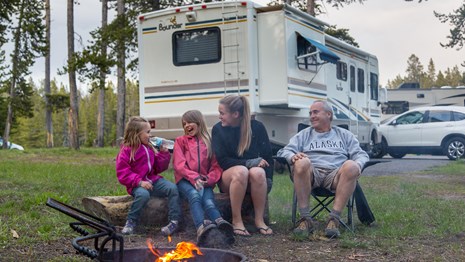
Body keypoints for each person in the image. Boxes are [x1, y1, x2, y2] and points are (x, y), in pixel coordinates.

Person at [277, 100, 369, 238]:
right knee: (301, 162)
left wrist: (358, 165)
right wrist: (293, 156)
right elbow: (283, 151)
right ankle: (305, 219)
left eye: (315, 112)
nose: (311, 116)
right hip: (311, 174)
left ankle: (334, 220)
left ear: (328, 114)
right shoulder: (304, 134)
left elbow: (361, 154)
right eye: (310, 113)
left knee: (351, 165)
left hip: (335, 175)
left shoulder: (344, 134)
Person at [212, 94, 273, 237]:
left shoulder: (257, 128)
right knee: (241, 171)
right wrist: (248, 163)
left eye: (222, 113)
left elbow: (268, 158)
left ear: (235, 114)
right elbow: (222, 161)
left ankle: (259, 220)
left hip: (255, 181)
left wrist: (267, 180)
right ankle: (237, 220)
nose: (219, 116)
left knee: (258, 172)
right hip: (230, 179)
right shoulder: (218, 129)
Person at [173, 110, 235, 245]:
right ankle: (201, 228)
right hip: (185, 180)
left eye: (189, 122)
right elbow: (179, 165)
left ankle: (221, 224)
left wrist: (208, 179)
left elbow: (216, 166)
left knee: (208, 201)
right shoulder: (180, 141)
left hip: (204, 181)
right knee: (194, 195)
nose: (186, 126)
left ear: (199, 122)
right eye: (184, 124)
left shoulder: (209, 142)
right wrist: (194, 177)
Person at [116, 116, 182, 236]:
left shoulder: (149, 147)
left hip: (152, 180)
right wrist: (139, 182)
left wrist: (163, 154)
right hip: (137, 184)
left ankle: (174, 221)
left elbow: (157, 168)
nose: (150, 135)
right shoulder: (127, 150)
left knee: (172, 188)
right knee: (143, 194)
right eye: (147, 132)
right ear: (136, 134)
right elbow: (122, 172)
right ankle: (131, 221)